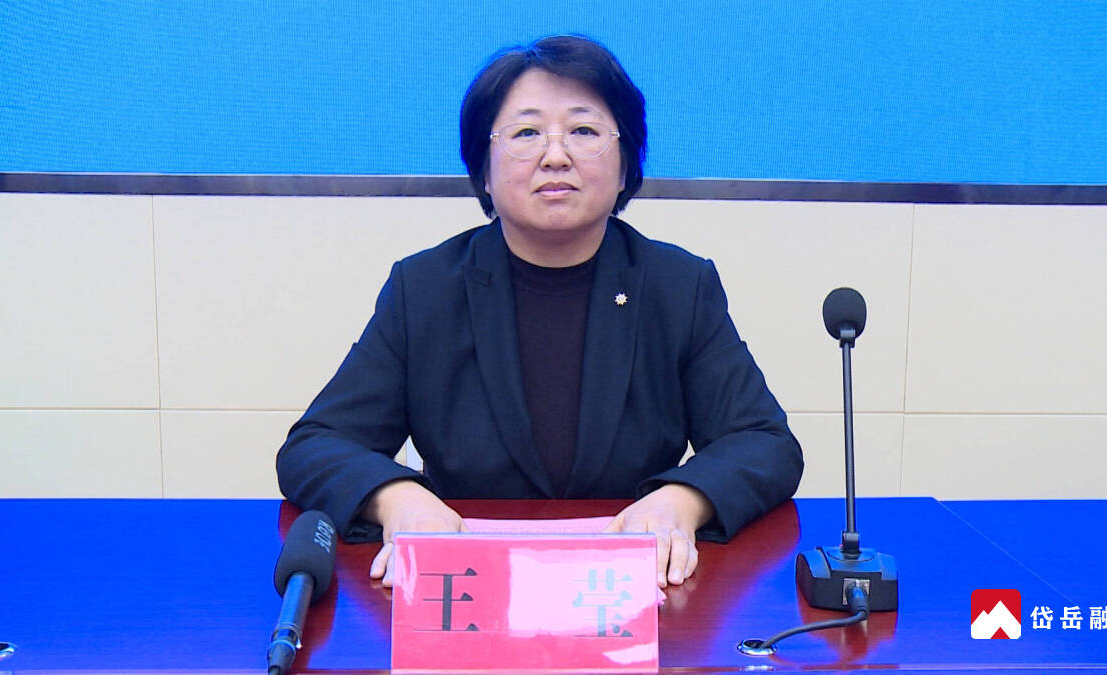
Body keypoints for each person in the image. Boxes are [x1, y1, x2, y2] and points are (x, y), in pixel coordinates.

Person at [277, 35, 803, 590]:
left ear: (625, 164)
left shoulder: (679, 287)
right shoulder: (425, 289)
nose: (556, 156)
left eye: (584, 131)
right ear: (483, 169)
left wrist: (684, 499)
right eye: (526, 133)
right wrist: (396, 497)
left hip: (632, 594)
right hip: (472, 593)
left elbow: (766, 443)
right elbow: (314, 446)